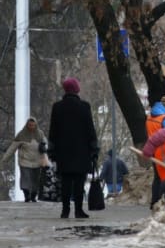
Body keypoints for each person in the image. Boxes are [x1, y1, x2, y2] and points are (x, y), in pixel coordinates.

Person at [48, 77, 99, 219]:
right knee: (79, 182)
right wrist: (94, 149)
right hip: (81, 151)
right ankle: (78, 210)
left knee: (65, 182)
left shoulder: (57, 107)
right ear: (76, 89)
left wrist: (51, 151)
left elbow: (53, 130)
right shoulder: (84, 106)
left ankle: (65, 210)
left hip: (63, 152)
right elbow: (90, 129)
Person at [1, 117, 48, 202]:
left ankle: (33, 196)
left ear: (36, 125)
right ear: (27, 125)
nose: (31, 127)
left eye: (33, 125)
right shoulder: (21, 135)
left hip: (37, 161)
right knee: (25, 179)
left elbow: (45, 144)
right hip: (25, 161)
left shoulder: (40, 134)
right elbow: (12, 147)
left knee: (35, 180)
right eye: (30, 125)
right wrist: (5, 159)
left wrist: (45, 146)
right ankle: (27, 195)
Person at [146, 95, 165, 209]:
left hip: (153, 150)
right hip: (163, 151)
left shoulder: (150, 116)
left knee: (157, 177)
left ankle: (154, 202)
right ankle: (161, 201)